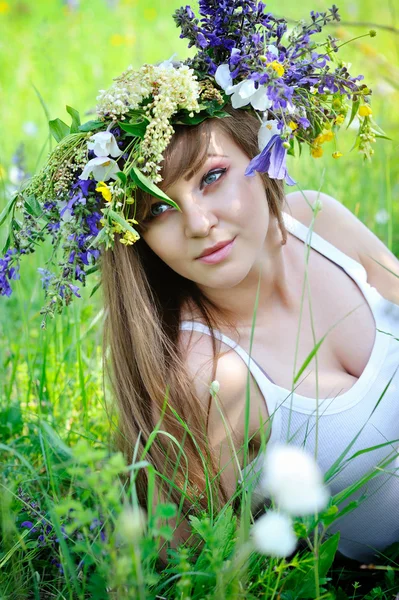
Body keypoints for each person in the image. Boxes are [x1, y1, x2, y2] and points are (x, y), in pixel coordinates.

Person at [2, 0, 398, 564]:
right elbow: (173, 565)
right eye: (158, 210)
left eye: (211, 177)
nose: (198, 223)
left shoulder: (318, 220)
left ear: (260, 149)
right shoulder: (216, 375)